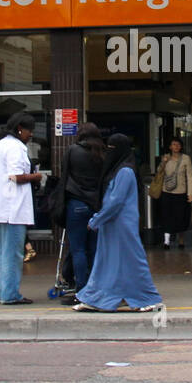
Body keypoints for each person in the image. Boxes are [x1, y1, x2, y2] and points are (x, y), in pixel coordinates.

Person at [73, 134, 163, 313]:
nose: (108, 151)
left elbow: (116, 201)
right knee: (107, 262)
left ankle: (147, 298)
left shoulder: (124, 172)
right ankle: (96, 297)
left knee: (130, 262)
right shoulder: (121, 169)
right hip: (113, 225)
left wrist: (97, 219)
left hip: (121, 226)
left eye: (112, 147)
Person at [0, 112, 41, 304]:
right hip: (13, 210)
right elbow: (16, 176)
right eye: (29, 130)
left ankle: (5, 292)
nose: (31, 134)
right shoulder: (15, 147)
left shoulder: (2, 144)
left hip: (4, 208)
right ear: (20, 129)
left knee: (5, 253)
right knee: (13, 254)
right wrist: (36, 177)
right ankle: (10, 295)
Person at [62, 122, 106, 297]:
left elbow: (64, 175)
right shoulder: (102, 153)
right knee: (94, 248)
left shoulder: (72, 151)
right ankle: (96, 286)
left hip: (76, 204)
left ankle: (82, 287)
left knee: (78, 249)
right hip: (96, 205)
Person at [156, 137, 192, 250]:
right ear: (170, 147)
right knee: (166, 216)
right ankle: (166, 241)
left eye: (178, 144)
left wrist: (190, 193)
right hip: (166, 192)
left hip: (181, 193)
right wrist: (163, 162)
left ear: (181, 146)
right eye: (173, 144)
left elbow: (190, 177)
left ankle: (181, 240)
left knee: (181, 217)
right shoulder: (166, 158)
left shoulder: (186, 159)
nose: (176, 146)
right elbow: (159, 172)